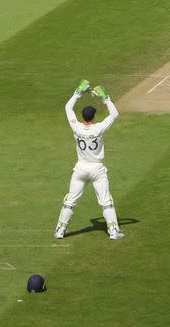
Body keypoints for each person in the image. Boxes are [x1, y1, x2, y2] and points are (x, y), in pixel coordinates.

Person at [54, 80, 124, 240]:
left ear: (83, 116)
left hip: (80, 168)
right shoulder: (98, 128)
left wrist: (78, 93)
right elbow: (114, 114)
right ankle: (113, 232)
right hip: (97, 169)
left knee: (70, 200)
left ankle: (59, 231)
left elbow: (67, 108)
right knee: (106, 201)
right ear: (93, 116)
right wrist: (105, 99)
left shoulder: (76, 127)